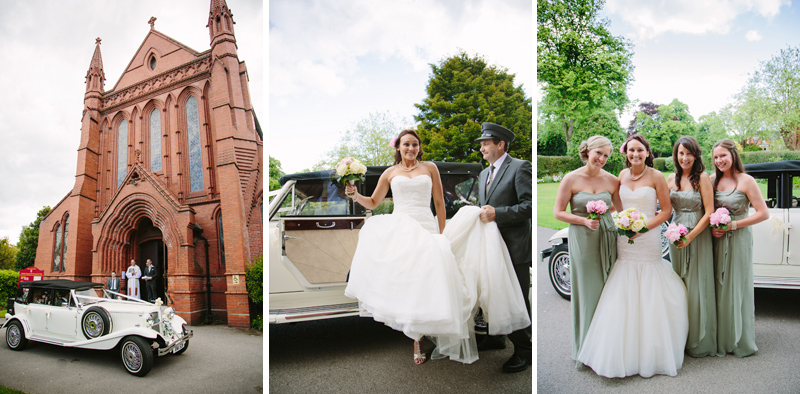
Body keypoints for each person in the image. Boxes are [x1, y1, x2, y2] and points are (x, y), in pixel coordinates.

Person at [344, 129, 530, 366]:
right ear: (398, 148)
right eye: (406, 145)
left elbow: (440, 204)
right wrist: (354, 194)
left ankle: (433, 332)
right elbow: (372, 202)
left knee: (430, 284)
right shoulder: (390, 173)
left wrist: (442, 235)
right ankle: (416, 338)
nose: (410, 148)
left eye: (414, 144)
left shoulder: (430, 167)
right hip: (401, 229)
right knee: (408, 284)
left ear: (419, 147)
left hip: (426, 229)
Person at [577, 134, 689, 378]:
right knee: (623, 282)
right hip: (624, 239)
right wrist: (620, 222)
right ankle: (620, 349)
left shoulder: (657, 177)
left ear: (647, 152)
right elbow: (617, 206)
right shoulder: (621, 175)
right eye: (630, 150)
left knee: (650, 283)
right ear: (625, 153)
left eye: (639, 150)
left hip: (647, 238)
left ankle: (652, 350)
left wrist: (642, 228)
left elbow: (666, 211)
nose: (635, 154)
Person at [552, 135, 621, 364]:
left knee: (608, 288)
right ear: (587, 151)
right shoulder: (571, 179)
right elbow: (558, 212)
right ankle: (586, 346)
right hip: (582, 237)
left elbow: (619, 208)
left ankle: (607, 346)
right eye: (598, 153)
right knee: (587, 290)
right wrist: (583, 221)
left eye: (606, 155)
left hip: (607, 236)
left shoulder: (612, 180)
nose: (601, 158)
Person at [472, 122, 534, 373]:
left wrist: (498, 213)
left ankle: (524, 350)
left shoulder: (520, 167)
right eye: (481, 145)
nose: (482, 148)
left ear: (500, 144)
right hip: (490, 247)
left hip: (515, 247)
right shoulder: (484, 173)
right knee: (492, 292)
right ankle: (496, 337)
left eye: (485, 144)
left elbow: (529, 206)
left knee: (517, 297)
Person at [710, 139, 768, 357]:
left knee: (736, 285)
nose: (719, 160)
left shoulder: (747, 180)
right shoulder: (712, 179)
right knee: (717, 284)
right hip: (716, 239)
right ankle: (721, 337)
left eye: (723, 155)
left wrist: (732, 225)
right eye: (716, 157)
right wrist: (713, 227)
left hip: (739, 239)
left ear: (733, 154)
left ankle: (739, 338)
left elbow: (763, 213)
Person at [667, 136, 717, 357]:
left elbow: (709, 212)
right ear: (675, 156)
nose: (684, 158)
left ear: (696, 155)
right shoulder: (670, 179)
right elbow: (665, 212)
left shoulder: (703, 178)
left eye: (688, 153)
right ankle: (680, 337)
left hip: (698, 236)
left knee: (697, 285)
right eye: (680, 153)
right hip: (676, 237)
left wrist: (691, 236)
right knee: (678, 285)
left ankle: (699, 340)